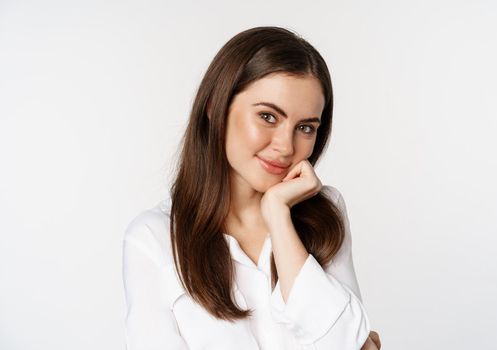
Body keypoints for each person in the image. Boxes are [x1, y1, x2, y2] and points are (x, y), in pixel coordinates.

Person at [122, 26, 381, 350]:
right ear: (216, 107)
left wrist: (278, 216)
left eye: (304, 127)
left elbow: (345, 343)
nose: (286, 147)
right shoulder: (154, 239)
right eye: (268, 117)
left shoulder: (325, 213)